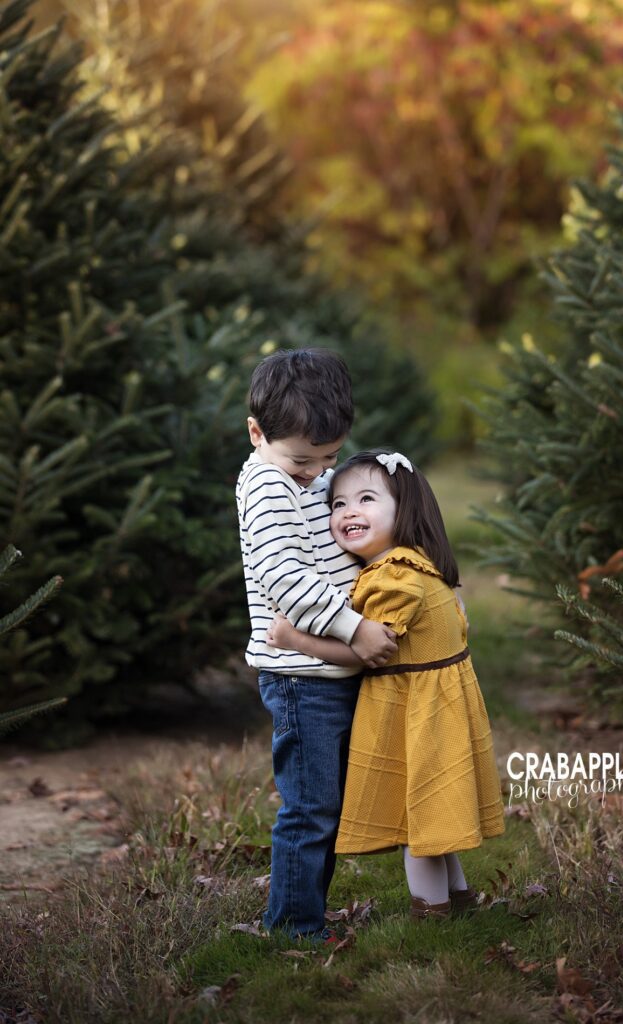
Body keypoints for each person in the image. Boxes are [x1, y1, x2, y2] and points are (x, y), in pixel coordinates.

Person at [266, 449, 505, 920]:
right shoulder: (417, 563)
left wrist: (292, 638)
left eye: (367, 499)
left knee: (418, 819)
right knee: (434, 813)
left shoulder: (394, 578)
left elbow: (365, 652)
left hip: (420, 715)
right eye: (337, 504)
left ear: (405, 509)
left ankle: (431, 914)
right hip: (435, 708)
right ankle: (459, 901)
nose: (349, 512)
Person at [235, 351, 398, 940]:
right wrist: (356, 628)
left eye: (329, 457)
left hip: (329, 671)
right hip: (302, 680)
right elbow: (286, 581)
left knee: (327, 805)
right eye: (305, 459)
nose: (318, 473)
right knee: (308, 809)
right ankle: (293, 927)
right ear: (258, 434)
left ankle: (305, 914)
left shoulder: (306, 472)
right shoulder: (266, 485)